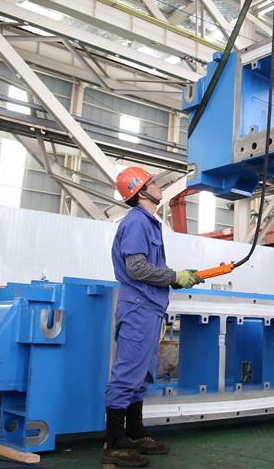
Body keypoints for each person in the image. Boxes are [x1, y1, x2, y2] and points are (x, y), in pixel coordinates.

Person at [103, 166, 204, 467]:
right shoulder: (137, 221)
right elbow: (136, 269)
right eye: (152, 182)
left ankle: (134, 432)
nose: (158, 186)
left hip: (150, 308)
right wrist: (174, 276)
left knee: (143, 372)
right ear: (141, 192)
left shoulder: (149, 222)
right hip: (139, 308)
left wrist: (177, 277)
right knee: (128, 372)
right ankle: (114, 441)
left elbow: (147, 268)